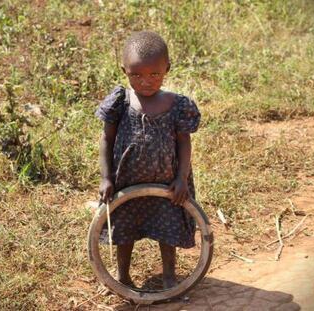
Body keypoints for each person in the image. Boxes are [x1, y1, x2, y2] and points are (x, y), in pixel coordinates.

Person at [95, 31, 201, 289]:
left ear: (167, 68)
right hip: (125, 183)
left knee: (167, 229)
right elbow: (106, 140)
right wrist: (106, 177)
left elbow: (184, 142)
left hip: (167, 184)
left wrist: (181, 178)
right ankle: (122, 276)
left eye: (155, 74)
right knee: (124, 230)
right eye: (137, 75)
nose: (145, 81)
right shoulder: (121, 101)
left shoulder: (177, 104)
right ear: (124, 71)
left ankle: (168, 277)